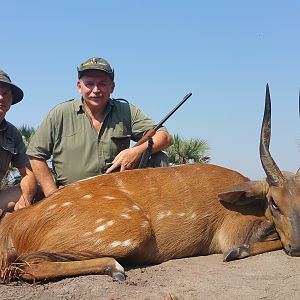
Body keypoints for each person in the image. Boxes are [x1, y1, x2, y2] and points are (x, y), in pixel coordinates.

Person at [27, 57, 173, 197]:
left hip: (117, 191)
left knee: (158, 158)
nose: (96, 90)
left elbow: (165, 137)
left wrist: (136, 151)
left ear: (112, 87)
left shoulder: (126, 111)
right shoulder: (60, 113)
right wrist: (52, 194)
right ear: (79, 86)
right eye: (89, 84)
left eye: (102, 84)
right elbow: (35, 155)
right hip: (71, 196)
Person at [0, 70, 37, 216]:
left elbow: (28, 174)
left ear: (11, 99)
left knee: (38, 189)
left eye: (5, 93)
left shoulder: (12, 133)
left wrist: (25, 200)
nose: (1, 97)